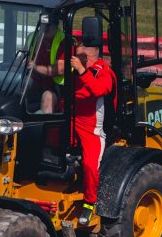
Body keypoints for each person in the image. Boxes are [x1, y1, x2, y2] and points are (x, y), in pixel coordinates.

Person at [70, 17, 116, 226]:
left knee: (90, 163)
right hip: (71, 119)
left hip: (92, 128)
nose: (77, 58)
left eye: (81, 56)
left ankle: (89, 205)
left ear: (91, 56)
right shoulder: (78, 67)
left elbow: (99, 90)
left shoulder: (103, 71)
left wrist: (81, 71)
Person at [29, 17, 65, 113]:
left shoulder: (64, 41)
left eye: (49, 25)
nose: (45, 28)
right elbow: (22, 58)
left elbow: (59, 70)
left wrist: (35, 67)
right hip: (34, 83)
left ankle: (43, 127)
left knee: (48, 97)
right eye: (43, 25)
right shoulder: (33, 38)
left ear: (56, 25)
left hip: (56, 87)